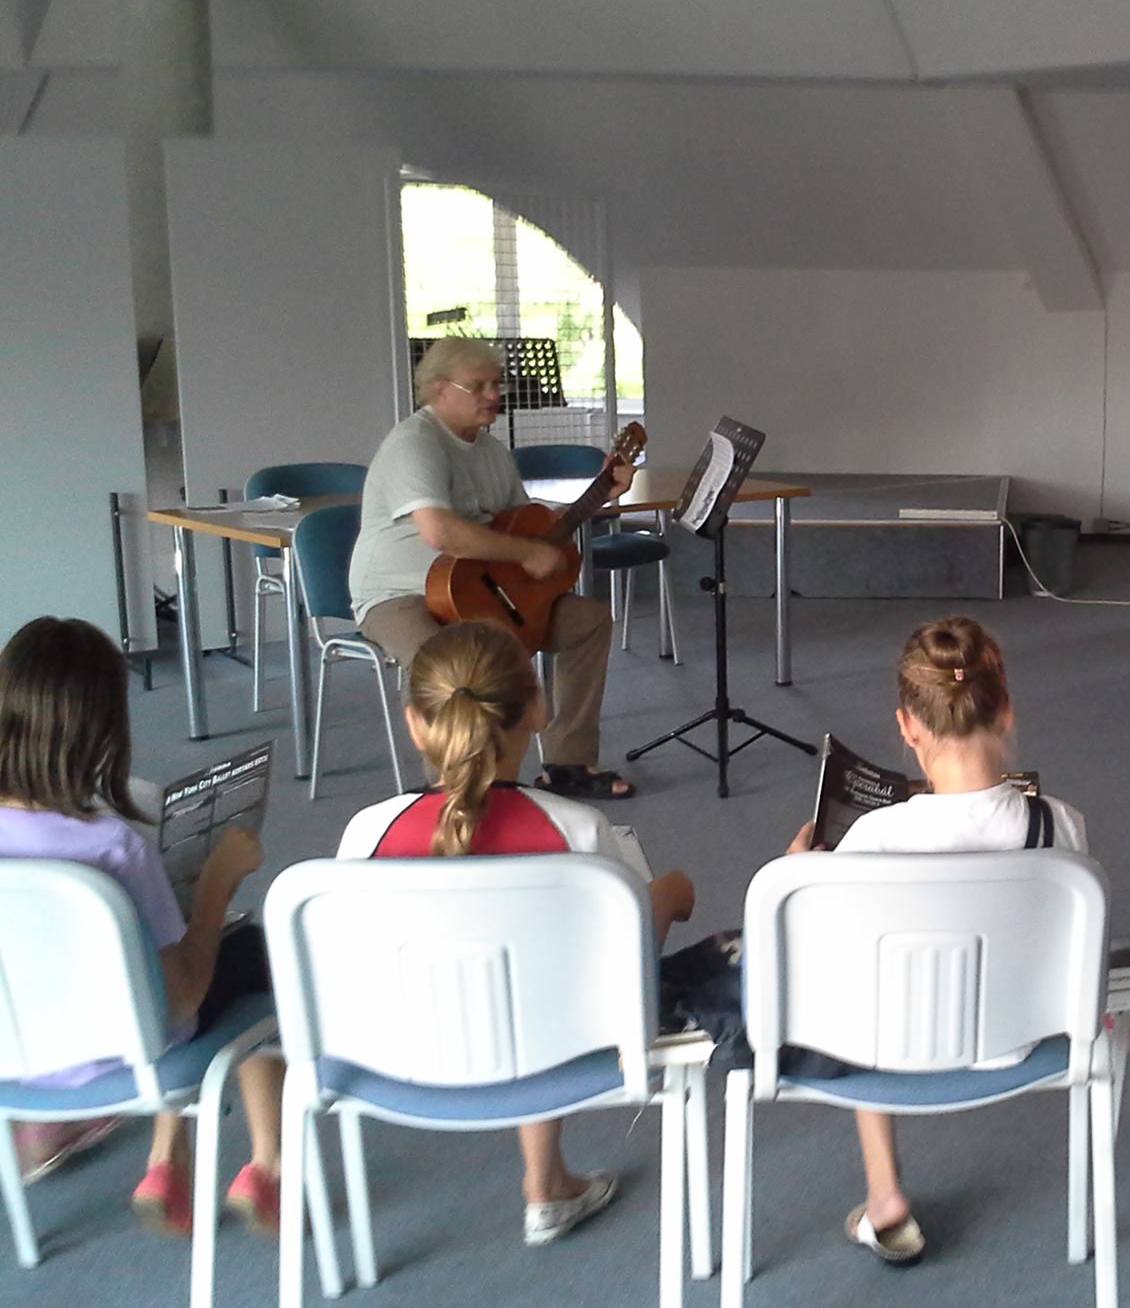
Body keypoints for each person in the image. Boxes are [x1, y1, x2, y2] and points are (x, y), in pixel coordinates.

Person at [336, 621, 697, 1246]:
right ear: (538, 708)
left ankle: (549, 1180)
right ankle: (545, 1181)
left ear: (415, 724)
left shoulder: (366, 834)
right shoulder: (577, 829)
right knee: (549, 974)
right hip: (555, 1049)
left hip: (399, 1058)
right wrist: (671, 895)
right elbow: (626, 963)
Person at [773, 617, 1085, 1267]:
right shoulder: (1059, 823)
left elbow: (810, 949)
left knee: (857, 977)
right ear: (1005, 710)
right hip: (1014, 1037)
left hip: (886, 1044)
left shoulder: (874, 837)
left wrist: (797, 872)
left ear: (908, 727)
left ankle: (884, 1193)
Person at [0, 618, 284, 1236]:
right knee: (257, 957)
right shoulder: (111, 848)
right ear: (105, 729)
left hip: (14, 1057)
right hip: (125, 1052)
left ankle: (168, 1161)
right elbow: (181, 998)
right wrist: (215, 888)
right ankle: (268, 1167)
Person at [348, 337, 636, 800]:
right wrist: (525, 554)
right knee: (441, 656)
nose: (494, 395)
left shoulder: (491, 450)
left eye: (496, 384)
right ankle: (449, 790)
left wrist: (602, 492)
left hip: (476, 590)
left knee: (588, 620)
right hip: (397, 594)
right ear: (440, 389)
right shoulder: (415, 443)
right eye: (478, 386)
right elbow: (440, 532)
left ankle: (569, 763)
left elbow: (528, 528)